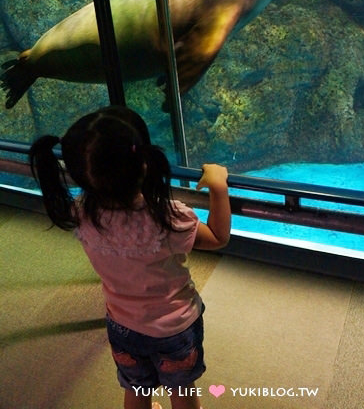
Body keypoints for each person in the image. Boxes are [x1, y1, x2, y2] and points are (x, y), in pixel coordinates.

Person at [30, 106, 231, 409]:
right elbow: (217, 237)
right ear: (145, 164)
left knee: (136, 388)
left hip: (122, 325)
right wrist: (218, 186)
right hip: (174, 327)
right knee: (182, 389)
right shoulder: (167, 216)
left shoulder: (80, 213)